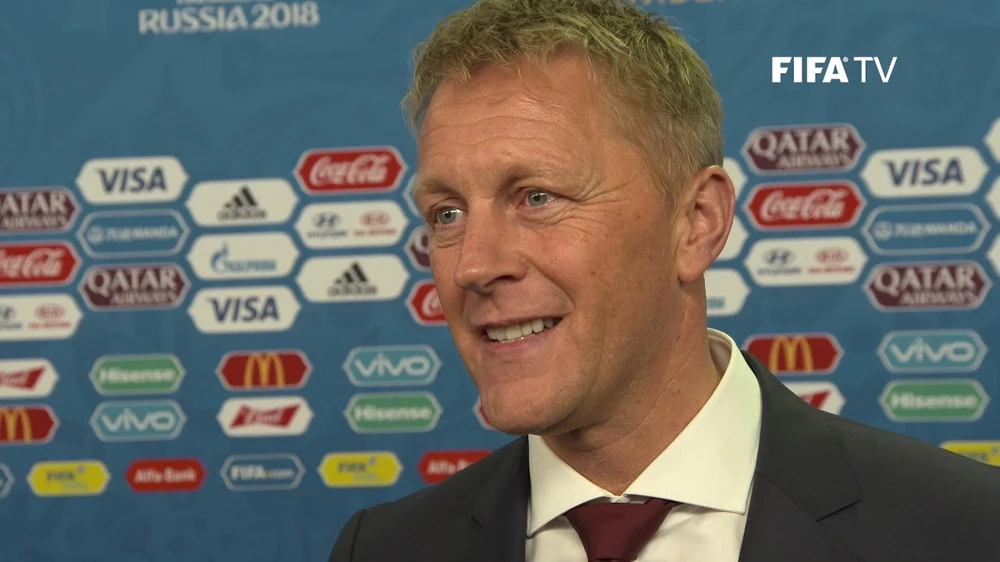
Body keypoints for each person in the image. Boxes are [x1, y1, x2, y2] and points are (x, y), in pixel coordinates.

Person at [329, 0, 1000, 560]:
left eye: (536, 197)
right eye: (446, 213)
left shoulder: (964, 528)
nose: (473, 265)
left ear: (697, 223)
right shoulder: (385, 549)